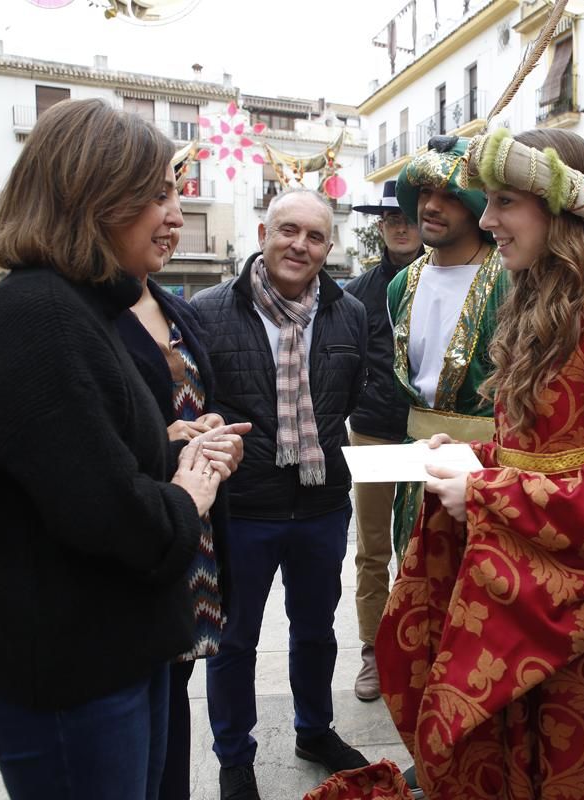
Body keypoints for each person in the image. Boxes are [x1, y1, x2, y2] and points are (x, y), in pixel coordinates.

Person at [310, 128, 584, 800]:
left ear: (563, 209)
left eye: (504, 202)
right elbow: (542, 450)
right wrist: (475, 459)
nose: (486, 220)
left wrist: (489, 491)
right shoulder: (532, 314)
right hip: (518, 598)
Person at [0, 98, 249, 800]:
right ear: (95, 197)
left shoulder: (78, 307)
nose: (174, 213)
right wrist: (190, 489)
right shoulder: (43, 316)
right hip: (68, 671)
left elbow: (78, 459)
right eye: (156, 193)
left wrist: (172, 443)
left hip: (108, 651)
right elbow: (110, 516)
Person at [190, 188, 371, 800]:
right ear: (264, 231)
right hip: (243, 508)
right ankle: (235, 757)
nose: (300, 244)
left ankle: (314, 730)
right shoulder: (209, 310)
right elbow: (190, 405)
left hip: (321, 505)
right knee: (234, 640)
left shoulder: (347, 312)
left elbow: (352, 398)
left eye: (315, 236)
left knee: (317, 631)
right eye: (288, 230)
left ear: (329, 246)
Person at [115, 190, 231, 798]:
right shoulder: (82, 317)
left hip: (192, 533)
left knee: (172, 696)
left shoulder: (173, 306)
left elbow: (197, 403)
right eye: (157, 196)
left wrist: (212, 432)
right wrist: (166, 443)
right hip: (139, 540)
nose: (178, 219)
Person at [387, 136, 509, 558]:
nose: (431, 206)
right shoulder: (401, 285)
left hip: (489, 474)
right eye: (424, 192)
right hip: (415, 468)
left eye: (449, 195)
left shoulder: (512, 281)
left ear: (477, 205)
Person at [343, 179, 424, 703]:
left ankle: (420, 643)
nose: (400, 225)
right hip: (372, 431)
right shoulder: (355, 293)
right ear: (380, 226)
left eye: (408, 216)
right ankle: (372, 649)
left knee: (421, 546)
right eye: (390, 218)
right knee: (372, 550)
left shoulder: (449, 280)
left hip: (425, 432)